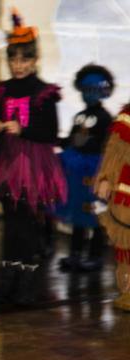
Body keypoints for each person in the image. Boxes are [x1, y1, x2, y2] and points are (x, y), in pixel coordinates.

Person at [0, 11, 66, 306]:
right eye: (14, 60)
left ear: (35, 60)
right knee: (10, 225)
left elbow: (51, 132)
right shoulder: (2, 90)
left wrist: (24, 128)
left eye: (24, 60)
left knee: (27, 226)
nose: (18, 66)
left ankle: (27, 286)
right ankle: (7, 283)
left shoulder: (45, 93)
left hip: (32, 167)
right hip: (6, 164)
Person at [57, 64, 114, 272]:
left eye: (94, 90)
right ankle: (75, 253)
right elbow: (72, 139)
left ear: (103, 92)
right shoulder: (79, 116)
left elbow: (106, 142)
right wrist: (61, 142)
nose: (89, 95)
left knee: (97, 213)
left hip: (96, 171)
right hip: (78, 170)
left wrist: (86, 144)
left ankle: (96, 255)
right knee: (78, 212)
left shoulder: (106, 118)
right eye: (86, 90)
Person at [94, 104, 130, 312]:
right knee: (126, 241)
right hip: (126, 190)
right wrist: (106, 178)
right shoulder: (128, 115)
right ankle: (128, 291)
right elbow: (114, 149)